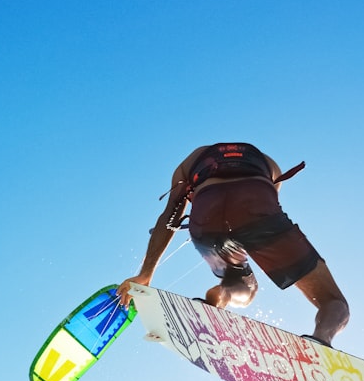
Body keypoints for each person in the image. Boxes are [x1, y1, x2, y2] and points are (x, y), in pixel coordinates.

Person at [117, 142, 349, 347]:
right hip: (257, 205)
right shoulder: (269, 164)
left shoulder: (190, 162)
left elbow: (170, 217)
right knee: (333, 301)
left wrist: (145, 274)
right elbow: (261, 214)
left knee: (245, 289)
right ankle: (320, 341)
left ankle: (217, 301)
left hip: (206, 216)